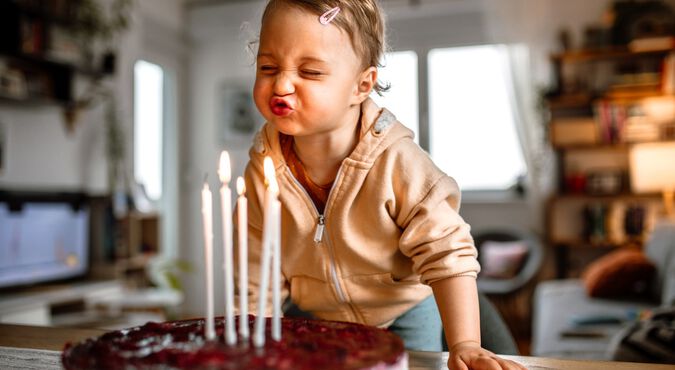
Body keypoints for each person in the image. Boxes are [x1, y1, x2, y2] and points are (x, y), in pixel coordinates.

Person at [237, 1, 525, 369]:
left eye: (309, 71)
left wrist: (466, 344)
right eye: (268, 67)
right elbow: (255, 269)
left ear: (362, 85)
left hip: (403, 314)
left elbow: (447, 253)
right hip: (313, 319)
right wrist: (251, 338)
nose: (281, 83)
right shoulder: (261, 173)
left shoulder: (399, 162)